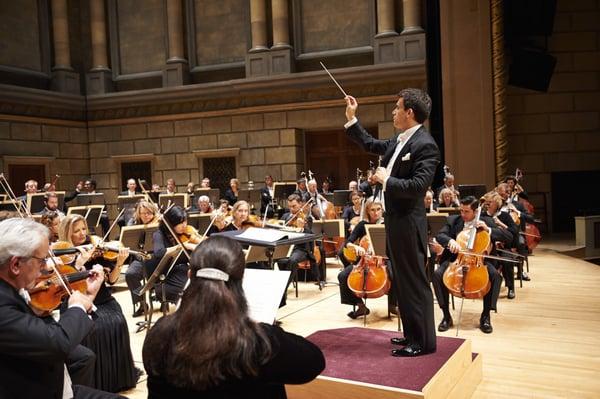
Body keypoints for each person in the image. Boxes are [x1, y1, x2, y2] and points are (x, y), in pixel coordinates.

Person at [142, 236, 325, 398]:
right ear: (241, 280)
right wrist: (270, 332)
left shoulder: (159, 333)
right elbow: (314, 362)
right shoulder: (259, 341)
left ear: (190, 276)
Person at [344, 88, 440, 357]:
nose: (394, 112)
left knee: (415, 283)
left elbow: (419, 185)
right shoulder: (400, 139)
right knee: (402, 282)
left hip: (409, 223)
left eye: (397, 108)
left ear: (410, 112)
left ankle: (423, 342)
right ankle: (411, 334)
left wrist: (387, 179)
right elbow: (370, 144)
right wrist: (352, 119)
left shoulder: (425, 144)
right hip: (396, 221)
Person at [0, 218, 123, 399]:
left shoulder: (12, 290)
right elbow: (56, 343)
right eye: (42, 260)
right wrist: (78, 307)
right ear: (16, 265)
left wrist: (87, 297)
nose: (46, 267)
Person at [58, 214, 138, 392]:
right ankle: (96, 382)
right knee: (95, 327)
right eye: (76, 231)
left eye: (83, 229)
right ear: (67, 233)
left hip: (104, 300)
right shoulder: (65, 255)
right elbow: (66, 287)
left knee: (117, 320)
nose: (81, 234)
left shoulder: (97, 249)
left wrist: (118, 263)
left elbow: (112, 281)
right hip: (78, 301)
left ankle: (116, 378)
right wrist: (80, 263)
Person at [432, 196, 513, 334]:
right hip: (456, 259)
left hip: (479, 261)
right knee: (437, 275)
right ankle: (446, 315)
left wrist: (488, 230)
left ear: (475, 212)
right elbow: (440, 235)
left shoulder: (486, 221)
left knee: (495, 277)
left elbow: (509, 237)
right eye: (461, 210)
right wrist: (450, 241)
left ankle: (486, 316)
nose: (462, 214)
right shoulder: (453, 220)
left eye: (466, 211)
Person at [337, 200, 393, 319]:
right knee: (342, 276)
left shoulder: (387, 223)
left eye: (378, 209)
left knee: (395, 275)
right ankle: (360, 305)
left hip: (384, 259)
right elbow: (348, 242)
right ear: (367, 211)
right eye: (372, 210)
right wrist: (355, 246)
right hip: (364, 261)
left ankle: (393, 305)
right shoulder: (362, 225)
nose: (376, 213)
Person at [145, 206, 191, 307]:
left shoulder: (182, 234)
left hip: (182, 271)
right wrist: (182, 246)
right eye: (180, 222)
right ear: (171, 222)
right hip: (166, 278)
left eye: (185, 221)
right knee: (190, 292)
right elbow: (159, 253)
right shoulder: (158, 234)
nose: (184, 225)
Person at [124, 200, 160, 316]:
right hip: (139, 258)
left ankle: (161, 296)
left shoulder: (158, 224)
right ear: (138, 213)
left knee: (161, 272)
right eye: (143, 213)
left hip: (156, 257)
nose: (146, 216)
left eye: (149, 213)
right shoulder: (133, 223)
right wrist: (137, 254)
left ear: (153, 213)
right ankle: (142, 303)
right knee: (130, 274)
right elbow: (127, 243)